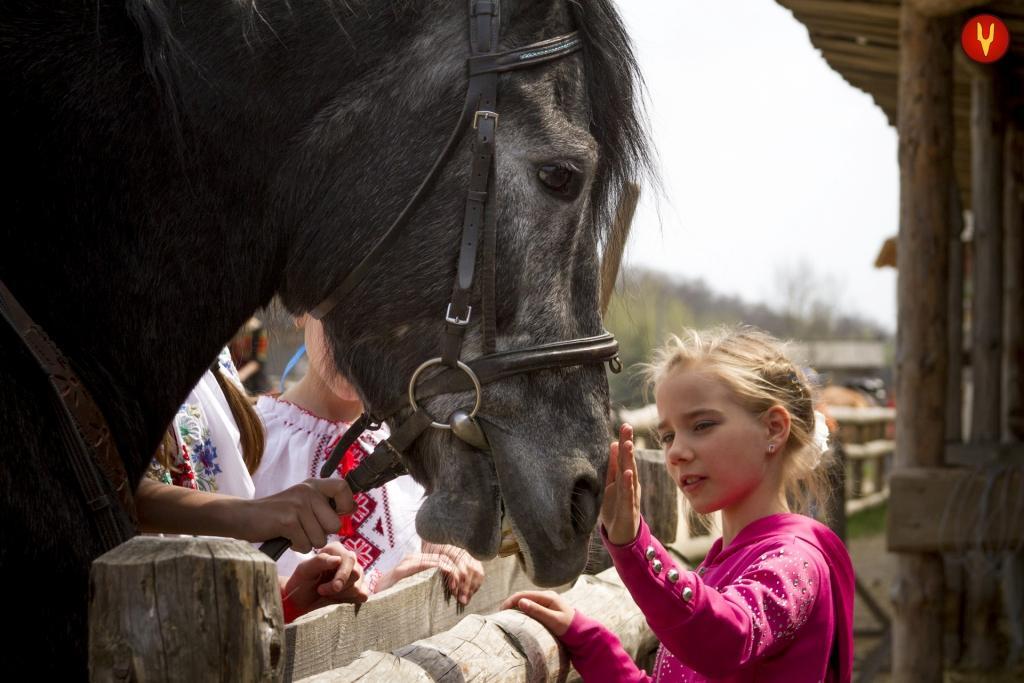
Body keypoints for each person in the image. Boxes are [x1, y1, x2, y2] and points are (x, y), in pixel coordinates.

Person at [504, 326, 855, 682]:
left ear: (774, 429)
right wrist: (589, 641)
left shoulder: (795, 562)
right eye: (668, 435)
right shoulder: (725, 561)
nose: (676, 452)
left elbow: (726, 640)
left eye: (702, 425)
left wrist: (634, 548)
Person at [253, 315, 485, 604]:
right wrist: (381, 586)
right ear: (301, 310)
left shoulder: (417, 444)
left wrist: (447, 552)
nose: (355, 346)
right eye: (341, 316)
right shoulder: (250, 439)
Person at [137, 347, 365, 622]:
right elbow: (112, 492)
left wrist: (286, 594)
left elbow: (215, 556)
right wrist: (251, 514)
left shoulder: (214, 358)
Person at [229, 315, 271, 394]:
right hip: (234, 377)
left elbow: (258, 362)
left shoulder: (259, 330)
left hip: (254, 384)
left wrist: (237, 378)